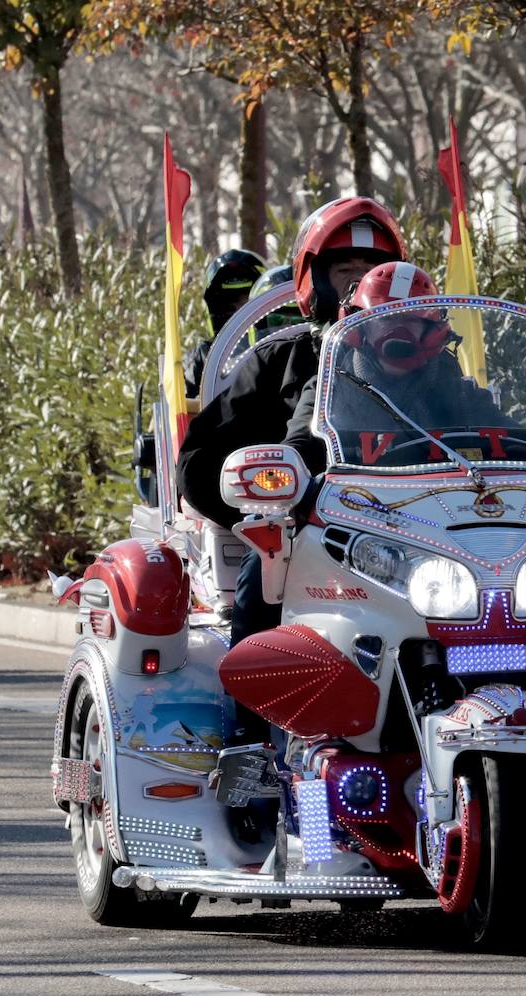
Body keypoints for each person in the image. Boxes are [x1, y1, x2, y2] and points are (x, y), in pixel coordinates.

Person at [178, 197, 405, 656]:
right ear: (314, 279)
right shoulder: (277, 360)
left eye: (372, 268)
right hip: (305, 537)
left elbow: (483, 428)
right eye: (345, 269)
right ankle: (250, 716)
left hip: (411, 535)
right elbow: (198, 463)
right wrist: (264, 509)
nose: (359, 281)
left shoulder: (427, 359)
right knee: (263, 566)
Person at [284, 261, 509, 473]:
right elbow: (298, 443)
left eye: (411, 319)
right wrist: (284, 462)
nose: (398, 330)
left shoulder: (456, 389)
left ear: (433, 331)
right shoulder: (328, 390)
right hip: (356, 507)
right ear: (358, 327)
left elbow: (514, 438)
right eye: (386, 319)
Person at [184, 249, 266, 398]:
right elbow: (183, 411)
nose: (238, 313)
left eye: (245, 304)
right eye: (229, 306)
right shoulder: (202, 357)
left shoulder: (281, 348)